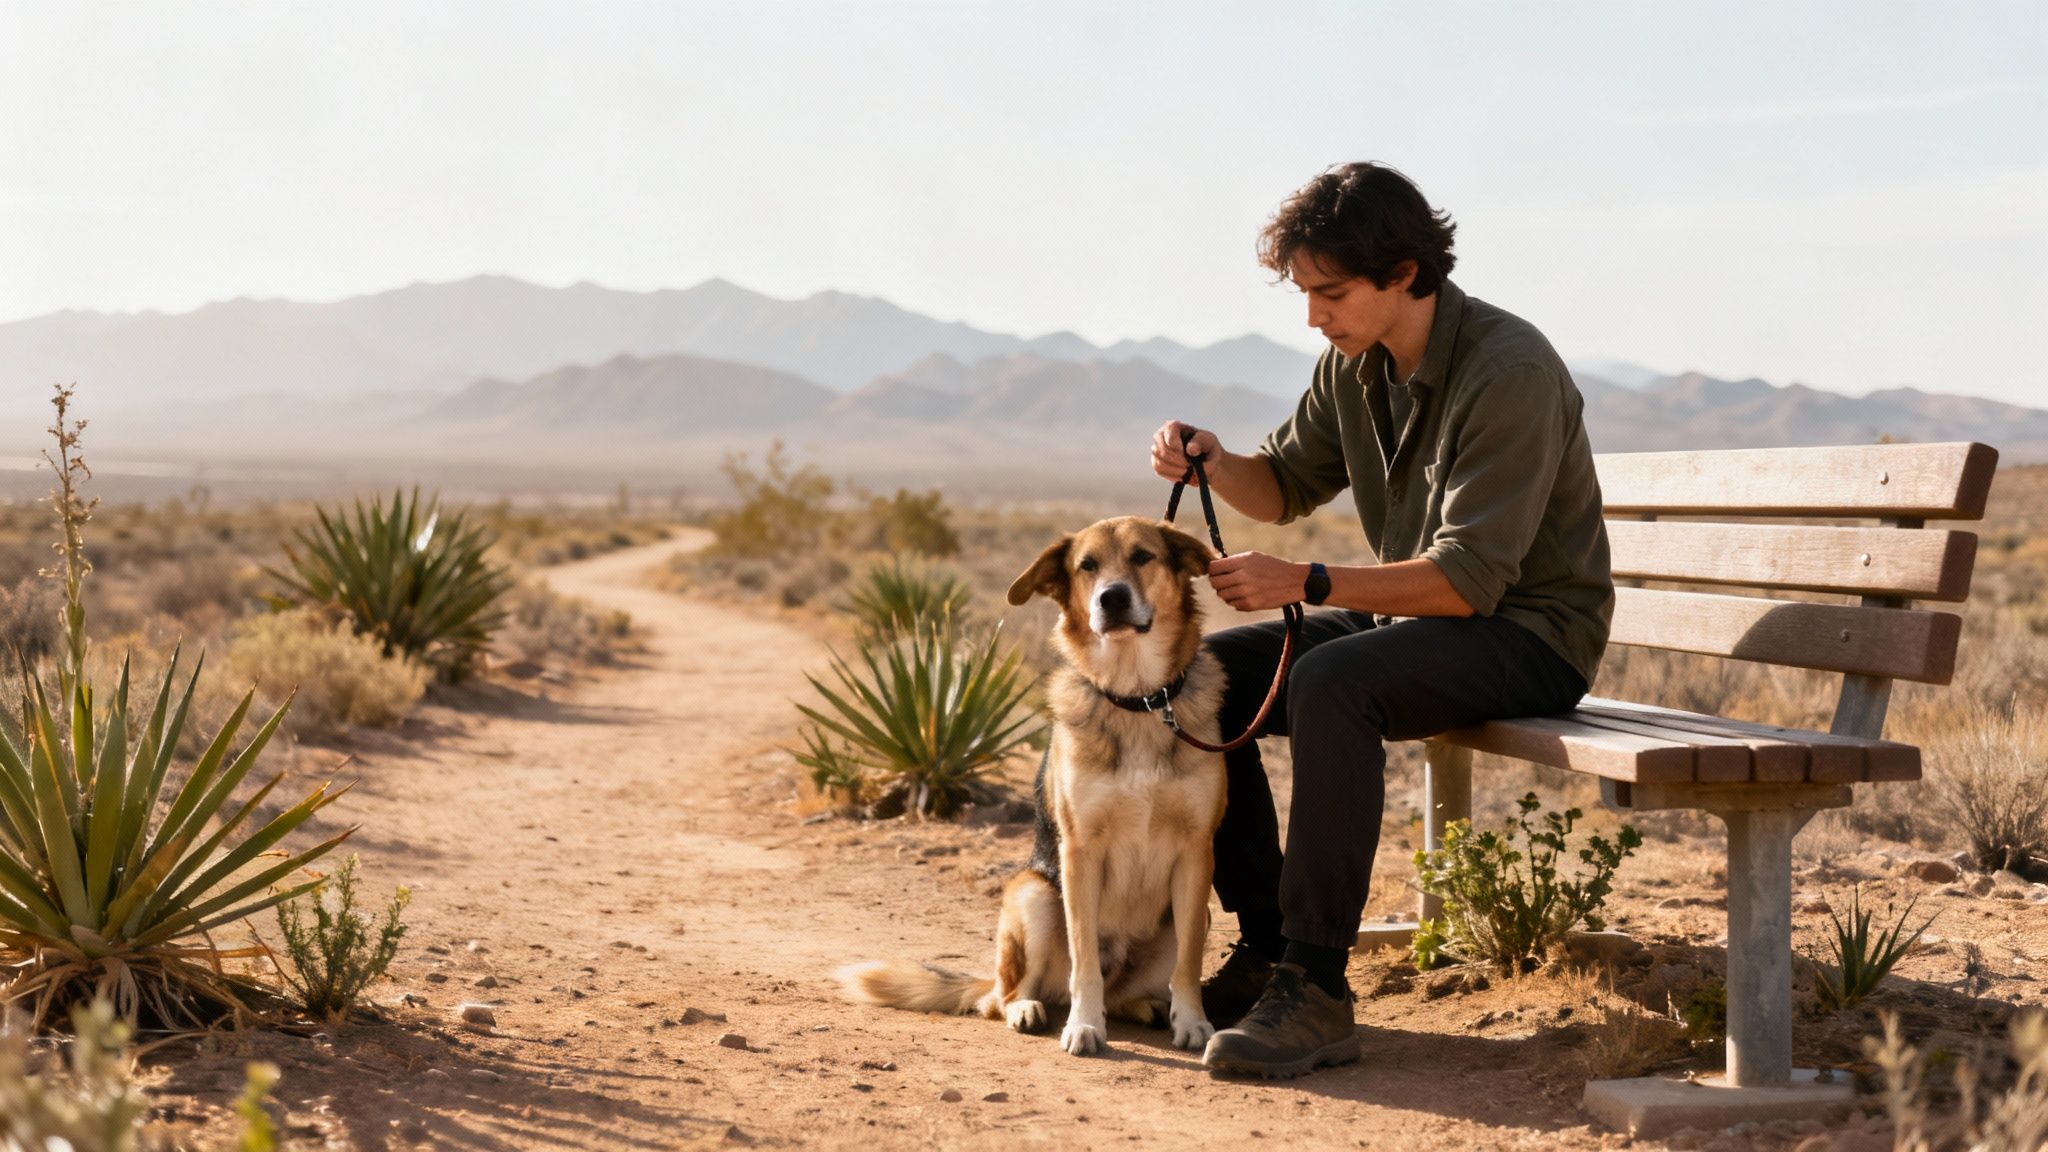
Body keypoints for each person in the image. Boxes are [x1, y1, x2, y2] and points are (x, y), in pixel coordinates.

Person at [1151, 162, 1613, 1078]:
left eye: (1331, 292)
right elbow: (1280, 486)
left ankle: (1317, 985)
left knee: (1330, 680)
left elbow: (1469, 582)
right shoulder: (1354, 366)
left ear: (1403, 273)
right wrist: (1212, 458)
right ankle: (1269, 943)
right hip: (1422, 628)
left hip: (1531, 636)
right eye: (1305, 293)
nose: (1314, 316)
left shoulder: (1508, 369)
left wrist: (1305, 580)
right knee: (1204, 679)